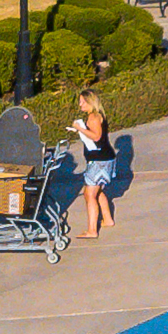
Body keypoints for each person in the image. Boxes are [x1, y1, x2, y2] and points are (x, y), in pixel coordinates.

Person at [66, 85, 121, 237]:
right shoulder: (97, 115)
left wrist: (80, 128)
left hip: (99, 160)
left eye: (82, 102)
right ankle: (108, 219)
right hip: (103, 159)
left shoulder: (93, 116)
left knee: (89, 194)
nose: (80, 105)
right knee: (98, 190)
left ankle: (92, 230)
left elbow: (96, 136)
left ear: (90, 102)